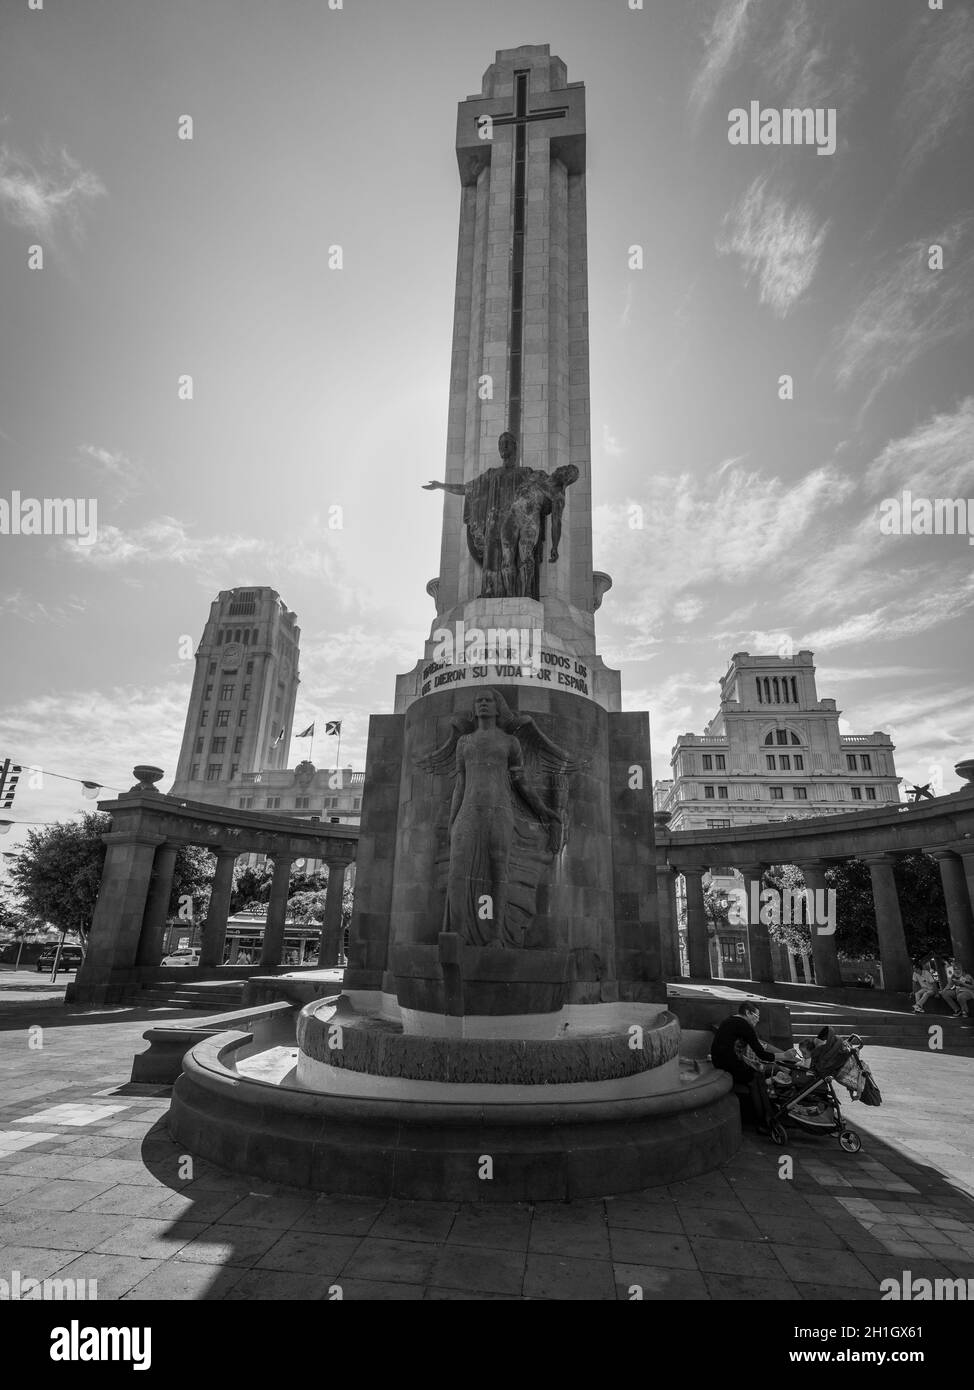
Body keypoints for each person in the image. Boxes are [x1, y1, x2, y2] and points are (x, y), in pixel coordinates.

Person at [710, 1001, 790, 1133]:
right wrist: (784, 1055)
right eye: (756, 1016)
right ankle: (764, 1120)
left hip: (719, 1061)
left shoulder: (729, 1020)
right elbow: (762, 1054)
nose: (757, 1020)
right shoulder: (745, 1025)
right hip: (729, 1064)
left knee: (756, 1076)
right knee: (756, 1078)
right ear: (747, 1013)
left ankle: (765, 1118)